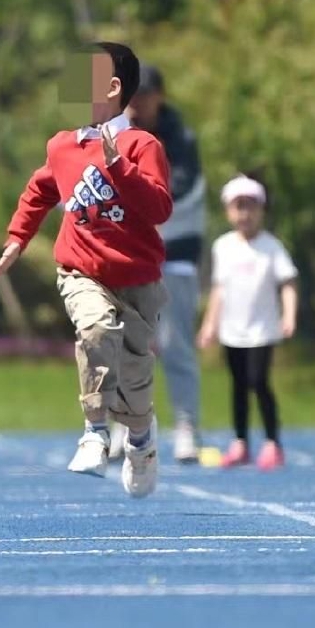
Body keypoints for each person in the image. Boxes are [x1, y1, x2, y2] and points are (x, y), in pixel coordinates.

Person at [0, 41, 174, 498]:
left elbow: (159, 208)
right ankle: (94, 431)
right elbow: (38, 191)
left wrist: (119, 168)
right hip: (81, 271)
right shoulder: (62, 146)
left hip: (137, 280)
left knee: (134, 378)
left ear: (112, 87)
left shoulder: (142, 145)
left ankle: (141, 441)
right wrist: (17, 239)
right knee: (94, 329)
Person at [129, 62, 208, 464]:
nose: (136, 104)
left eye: (143, 95)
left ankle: (186, 427)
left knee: (175, 345)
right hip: (131, 256)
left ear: (159, 96)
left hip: (174, 253)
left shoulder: (181, 139)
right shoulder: (116, 133)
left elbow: (179, 191)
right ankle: (127, 427)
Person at [195, 175, 298, 469]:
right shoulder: (223, 247)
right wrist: (209, 325)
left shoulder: (271, 247)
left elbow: (288, 282)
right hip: (232, 330)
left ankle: (272, 442)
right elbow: (219, 290)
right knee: (238, 385)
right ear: (228, 211)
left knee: (258, 382)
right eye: (238, 207)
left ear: (261, 210)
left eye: (250, 207)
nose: (245, 214)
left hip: (263, 330)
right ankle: (240, 442)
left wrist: (288, 315)